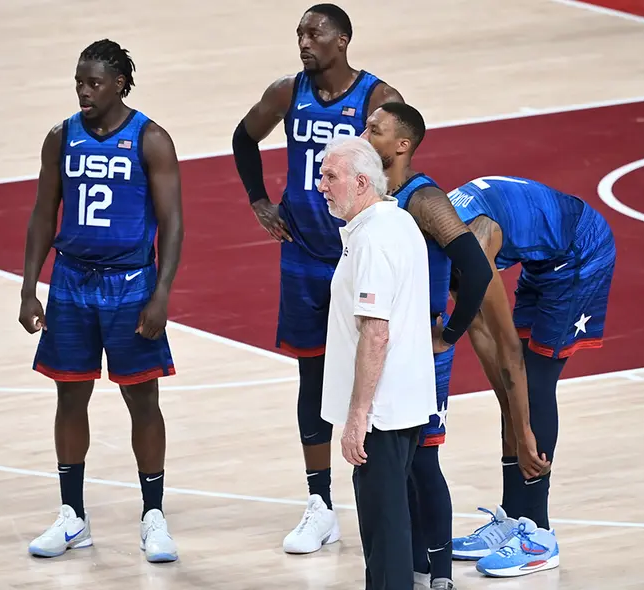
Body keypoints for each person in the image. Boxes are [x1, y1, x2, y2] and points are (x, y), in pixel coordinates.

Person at [230, 2, 405, 553]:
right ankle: (320, 504)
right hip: (304, 255)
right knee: (312, 377)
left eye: (315, 34)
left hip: (358, 257)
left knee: (377, 374)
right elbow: (243, 137)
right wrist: (259, 200)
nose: (305, 42)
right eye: (300, 34)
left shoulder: (377, 99)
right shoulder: (288, 91)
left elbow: (399, 166)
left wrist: (385, 227)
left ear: (343, 40)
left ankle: (388, 492)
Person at [17, 39, 184, 564]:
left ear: (119, 84)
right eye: (78, 82)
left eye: (93, 83)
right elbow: (44, 213)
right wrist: (28, 286)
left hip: (131, 283)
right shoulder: (60, 137)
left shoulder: (151, 139)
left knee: (142, 399)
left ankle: (152, 515)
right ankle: (73, 517)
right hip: (70, 282)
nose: (83, 91)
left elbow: (175, 222)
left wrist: (161, 293)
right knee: (69, 397)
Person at [445, 175, 617, 577]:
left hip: (581, 251)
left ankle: (538, 535)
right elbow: (476, 328)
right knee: (517, 393)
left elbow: (505, 345)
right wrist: (509, 403)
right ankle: (511, 522)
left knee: (534, 385)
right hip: (547, 258)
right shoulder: (436, 233)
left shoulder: (472, 246)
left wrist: (523, 429)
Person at [360, 103, 493, 590]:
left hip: (421, 346)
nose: (364, 134)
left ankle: (439, 576)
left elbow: (476, 269)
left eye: (375, 130)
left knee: (422, 458)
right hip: (388, 343)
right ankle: (412, 568)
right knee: (393, 459)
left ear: (402, 145)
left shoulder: (424, 198)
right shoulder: (376, 194)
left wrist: (450, 334)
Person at [317, 135, 437, 590]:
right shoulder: (396, 221)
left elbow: (376, 332)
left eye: (331, 176)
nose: (321, 185)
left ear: (362, 182)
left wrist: (358, 416)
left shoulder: (372, 239)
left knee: (384, 535)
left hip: (381, 415)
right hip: (399, 406)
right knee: (390, 528)